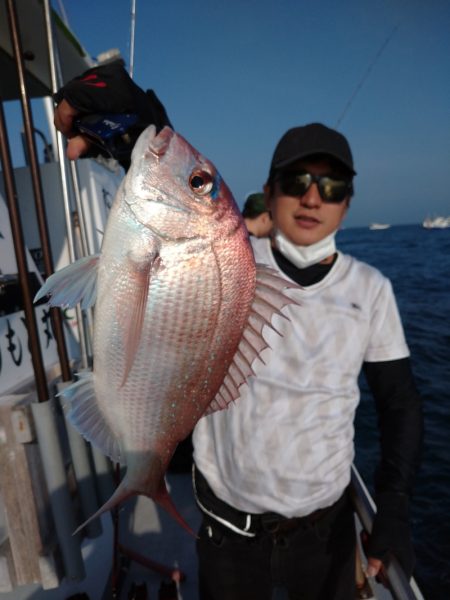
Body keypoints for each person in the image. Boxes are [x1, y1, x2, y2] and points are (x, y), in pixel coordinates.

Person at [53, 62, 423, 600]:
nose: (313, 197)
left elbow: (401, 405)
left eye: (332, 184)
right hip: (226, 533)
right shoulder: (236, 262)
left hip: (327, 536)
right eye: (297, 181)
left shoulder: (370, 289)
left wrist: (394, 511)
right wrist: (144, 128)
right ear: (269, 192)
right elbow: (202, 235)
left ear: (349, 200)